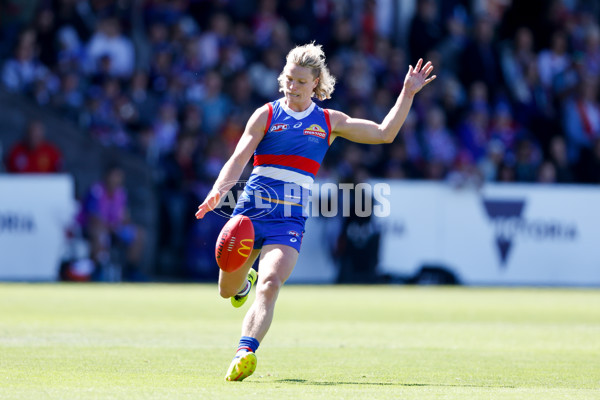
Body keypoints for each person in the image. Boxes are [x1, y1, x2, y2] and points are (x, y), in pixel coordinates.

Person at [194, 43, 435, 381]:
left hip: (289, 220)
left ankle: (243, 352)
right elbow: (238, 158)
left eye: (301, 82)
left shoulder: (328, 121)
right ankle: (242, 284)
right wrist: (218, 192)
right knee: (225, 291)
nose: (293, 87)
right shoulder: (265, 115)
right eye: (289, 79)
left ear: (316, 84)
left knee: (272, 282)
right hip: (250, 214)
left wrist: (407, 94)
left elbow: (385, 134)